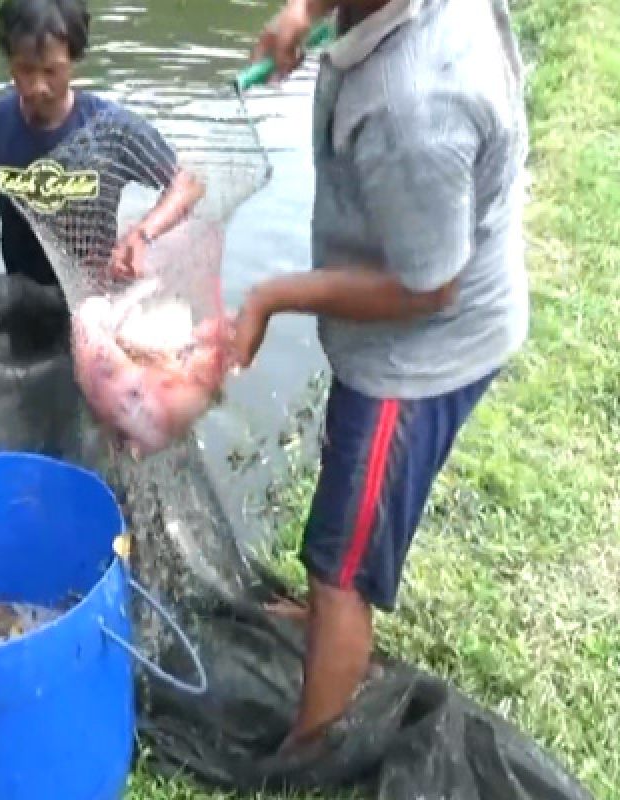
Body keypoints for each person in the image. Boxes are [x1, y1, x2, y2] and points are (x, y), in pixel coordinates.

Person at [231, 0, 529, 751]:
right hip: (401, 294)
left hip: (422, 349)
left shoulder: (415, 105)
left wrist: (276, 294)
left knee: (346, 564)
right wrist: (304, 10)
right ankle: (328, 609)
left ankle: (311, 749)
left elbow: (429, 286)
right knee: (345, 492)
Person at [0, 0, 204, 317]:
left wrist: (143, 234)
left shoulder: (110, 129)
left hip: (98, 305)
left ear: (73, 60)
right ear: (10, 62)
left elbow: (187, 185)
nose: (38, 86)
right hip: (23, 304)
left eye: (51, 71)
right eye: (25, 70)